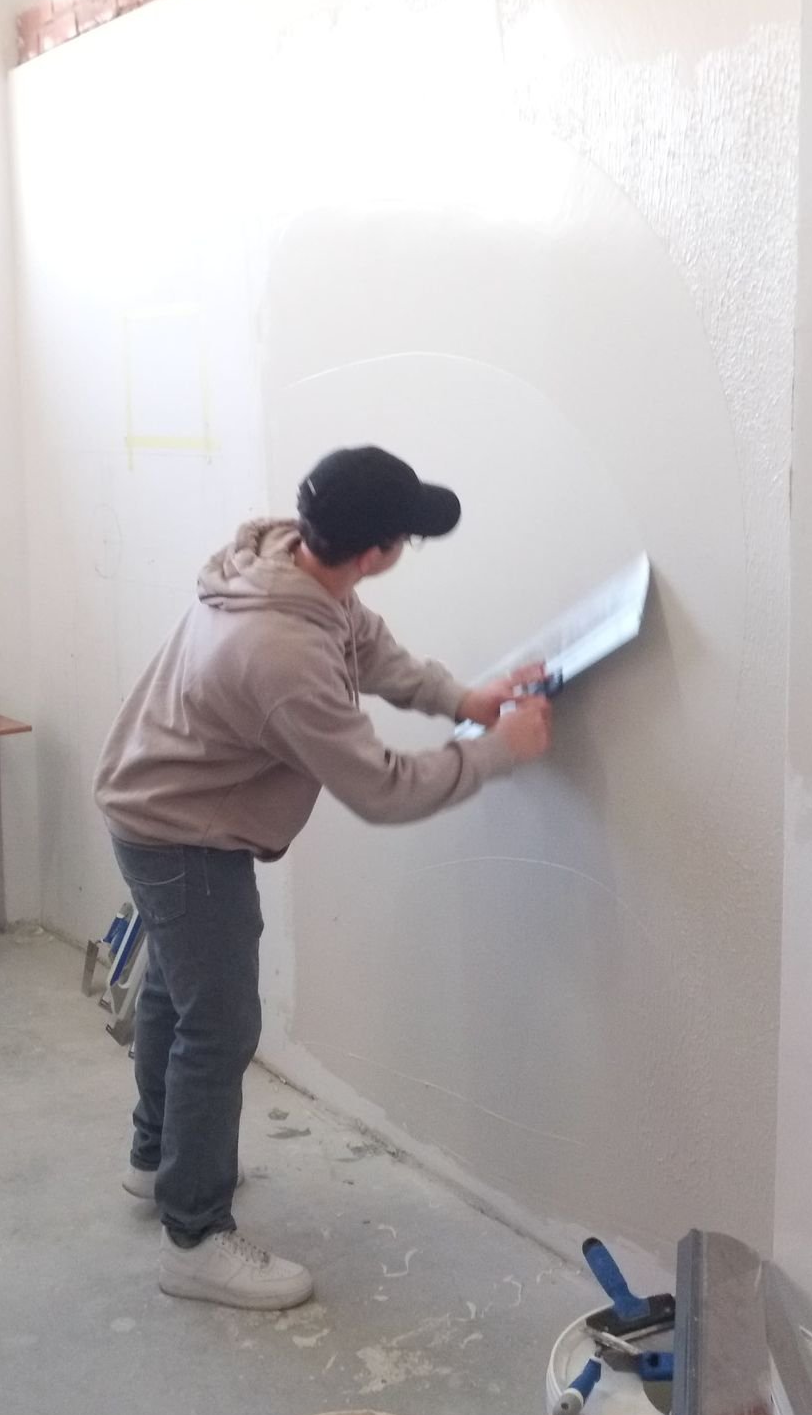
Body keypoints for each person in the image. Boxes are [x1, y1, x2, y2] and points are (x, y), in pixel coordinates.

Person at [94, 447, 552, 1311]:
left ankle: (157, 1160)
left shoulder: (290, 564)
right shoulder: (279, 652)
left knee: (177, 998)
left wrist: (465, 700)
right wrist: (499, 752)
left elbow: (367, 647)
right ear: (376, 552)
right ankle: (193, 1237)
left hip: (152, 799)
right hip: (181, 833)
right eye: (406, 537)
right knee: (220, 1025)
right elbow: (382, 789)